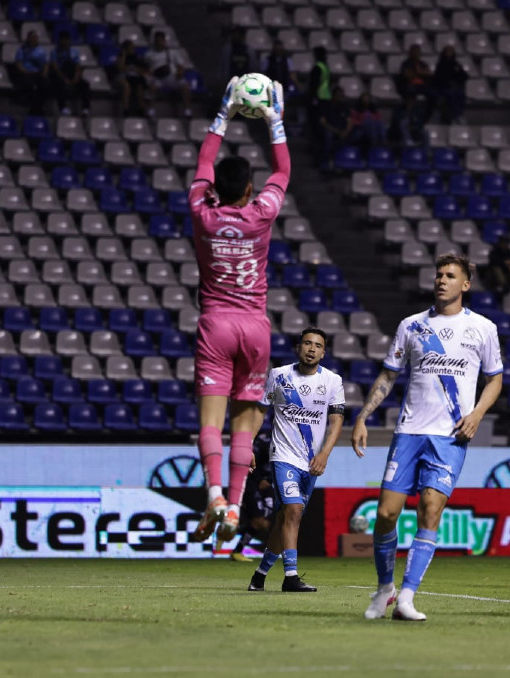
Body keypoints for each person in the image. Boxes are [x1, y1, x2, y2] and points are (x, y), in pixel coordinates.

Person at [353, 254, 504, 621]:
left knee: (430, 509)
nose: (441, 280)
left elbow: (495, 380)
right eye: (439, 274)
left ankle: (407, 596)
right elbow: (388, 376)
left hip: (450, 436)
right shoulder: (412, 325)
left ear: (465, 284)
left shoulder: (483, 328)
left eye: (450, 275)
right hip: (409, 432)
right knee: (386, 513)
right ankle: (385, 588)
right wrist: (363, 416)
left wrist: (477, 415)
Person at [187, 77, 290, 545]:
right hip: (255, 328)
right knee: (245, 425)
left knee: (211, 421)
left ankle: (213, 495)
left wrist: (222, 116)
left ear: (215, 188)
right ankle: (234, 501)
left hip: (216, 325)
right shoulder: (261, 212)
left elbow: (203, 164)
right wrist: (274, 121)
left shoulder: (202, 212)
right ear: (249, 189)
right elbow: (283, 171)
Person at [248, 328, 351, 593]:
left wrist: (324, 454)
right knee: (293, 511)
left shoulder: (333, 381)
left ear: (323, 352)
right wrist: (247, 444)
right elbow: (260, 411)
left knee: (286, 518)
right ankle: (291, 577)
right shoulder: (279, 375)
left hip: (311, 462)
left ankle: (259, 575)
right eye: (307, 343)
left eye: (318, 345)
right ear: (298, 347)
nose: (312, 348)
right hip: (283, 456)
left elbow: (336, 421)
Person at [228, 432, 275, 562]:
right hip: (252, 484)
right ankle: (237, 551)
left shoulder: (289, 439)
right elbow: (249, 462)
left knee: (265, 524)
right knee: (259, 522)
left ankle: (231, 529)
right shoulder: (263, 441)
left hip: (268, 485)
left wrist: (270, 479)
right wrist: (259, 479)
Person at [146, 31, 193, 117]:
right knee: (152, 87)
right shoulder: (149, 55)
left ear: (164, 41)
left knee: (185, 86)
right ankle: (151, 111)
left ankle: (187, 111)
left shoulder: (172, 53)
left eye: (161, 40)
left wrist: (180, 72)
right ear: (155, 41)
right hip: (158, 78)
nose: (159, 43)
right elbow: (145, 68)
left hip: (172, 77)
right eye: (157, 41)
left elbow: (181, 65)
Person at [47, 31, 91, 116]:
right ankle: (62, 107)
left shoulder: (74, 52)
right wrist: (64, 79)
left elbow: (77, 67)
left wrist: (76, 78)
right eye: (63, 40)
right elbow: (55, 67)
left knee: (85, 84)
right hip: (59, 74)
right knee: (58, 84)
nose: (65, 42)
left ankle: (85, 108)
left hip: (71, 74)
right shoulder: (54, 52)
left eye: (67, 40)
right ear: (60, 41)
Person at [13, 31, 49, 114]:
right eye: (32, 37)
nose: (34, 39)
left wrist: (44, 74)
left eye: (35, 37)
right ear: (28, 38)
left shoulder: (41, 50)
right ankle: (35, 109)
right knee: (30, 87)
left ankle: (37, 108)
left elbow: (46, 64)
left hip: (38, 74)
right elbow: (18, 63)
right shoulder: (22, 49)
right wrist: (25, 72)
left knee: (46, 85)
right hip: (26, 73)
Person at [317, 86, 353, 169]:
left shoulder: (344, 107)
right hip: (330, 129)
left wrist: (346, 131)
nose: (340, 97)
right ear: (333, 96)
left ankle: (343, 159)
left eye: (342, 95)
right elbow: (323, 122)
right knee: (328, 136)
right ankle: (325, 161)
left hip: (343, 131)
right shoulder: (326, 106)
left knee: (356, 134)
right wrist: (336, 131)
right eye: (338, 95)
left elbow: (349, 121)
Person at [431, 45, 468, 124]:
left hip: (454, 87)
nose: (449, 53)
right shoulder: (440, 64)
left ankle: (460, 114)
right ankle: (456, 116)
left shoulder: (456, 64)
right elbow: (437, 78)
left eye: (451, 51)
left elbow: (464, 76)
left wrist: (458, 73)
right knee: (452, 94)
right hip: (443, 87)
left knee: (461, 94)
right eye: (448, 51)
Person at [397, 44, 433, 123]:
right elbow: (406, 75)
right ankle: (408, 116)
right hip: (410, 84)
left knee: (433, 94)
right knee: (411, 92)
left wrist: (418, 72)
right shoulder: (406, 63)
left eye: (418, 52)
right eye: (414, 51)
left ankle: (426, 118)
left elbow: (429, 73)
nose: (416, 53)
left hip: (422, 85)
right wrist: (419, 72)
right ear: (411, 52)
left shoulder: (423, 64)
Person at [115, 39, 150, 116]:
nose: (133, 49)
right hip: (122, 77)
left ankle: (141, 109)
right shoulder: (120, 56)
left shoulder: (136, 57)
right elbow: (120, 68)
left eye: (134, 48)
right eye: (131, 48)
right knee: (126, 86)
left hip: (134, 77)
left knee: (140, 86)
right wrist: (124, 55)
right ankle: (126, 110)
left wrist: (136, 70)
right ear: (126, 49)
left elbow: (143, 70)